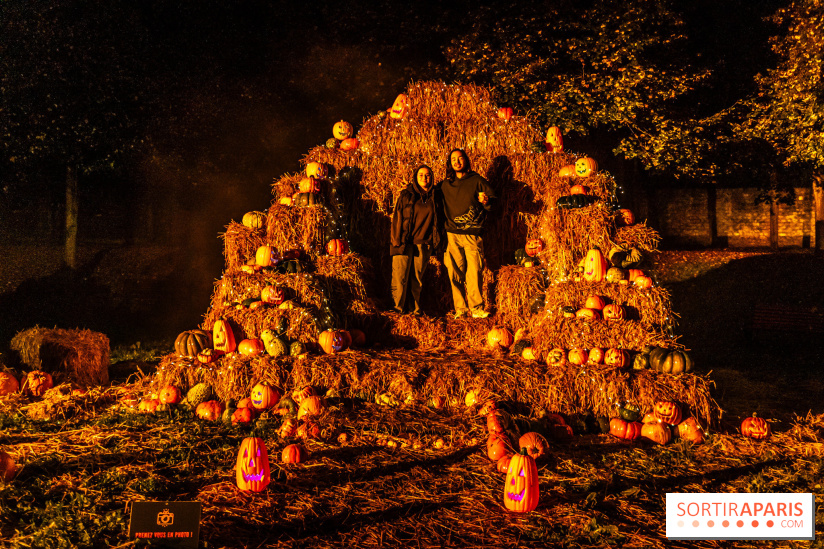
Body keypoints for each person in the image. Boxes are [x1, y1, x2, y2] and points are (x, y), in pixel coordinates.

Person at [438, 149, 496, 319]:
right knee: (454, 272)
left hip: (472, 233)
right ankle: (460, 309)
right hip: (452, 234)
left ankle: (476, 308)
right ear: (450, 163)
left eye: (460, 158)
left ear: (466, 160)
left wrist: (486, 201)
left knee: (475, 271)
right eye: (453, 159)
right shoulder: (445, 185)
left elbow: (493, 201)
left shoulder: (476, 180)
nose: (457, 162)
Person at [389, 165, 440, 315]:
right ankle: (397, 309)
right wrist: (396, 241)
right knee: (400, 277)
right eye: (421, 175)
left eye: (428, 175)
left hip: (423, 243)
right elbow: (397, 218)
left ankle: (415, 310)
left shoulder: (436, 197)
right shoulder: (406, 195)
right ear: (415, 178)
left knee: (416, 280)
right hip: (404, 241)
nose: (425, 178)